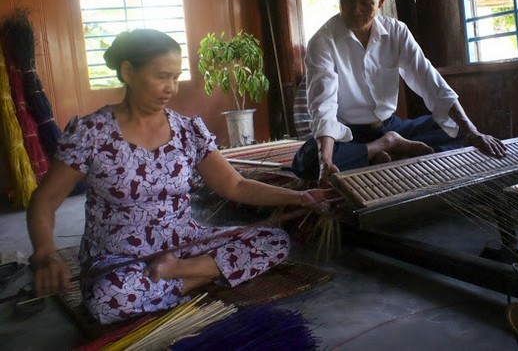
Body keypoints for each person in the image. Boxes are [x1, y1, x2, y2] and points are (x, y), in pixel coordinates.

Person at [26, 29, 333, 325]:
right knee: (108, 299)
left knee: (273, 239)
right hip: (118, 255)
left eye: (175, 77)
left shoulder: (187, 130)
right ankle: (202, 278)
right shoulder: (92, 133)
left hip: (184, 242)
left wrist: (299, 197)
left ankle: (178, 273)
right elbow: (46, 198)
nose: (171, 88)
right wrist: (44, 252)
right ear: (128, 71)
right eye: (162, 77)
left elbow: (234, 184)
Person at [292, 0, 506, 187]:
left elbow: (429, 81)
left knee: (455, 131)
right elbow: (324, 106)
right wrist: (326, 161)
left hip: (392, 126)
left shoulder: (397, 33)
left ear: (381, 0)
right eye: (347, 1)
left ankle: (383, 151)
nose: (355, 11)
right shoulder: (323, 41)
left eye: (366, 3)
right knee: (308, 162)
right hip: (347, 134)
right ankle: (384, 148)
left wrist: (473, 131)